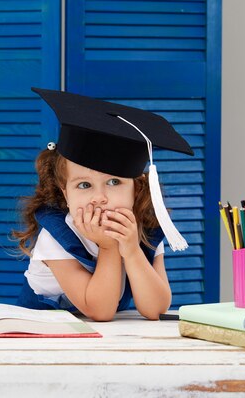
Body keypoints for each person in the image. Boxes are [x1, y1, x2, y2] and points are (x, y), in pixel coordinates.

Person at [13, 88, 194, 321]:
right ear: (65, 192)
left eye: (113, 182)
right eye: (84, 185)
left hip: (108, 339)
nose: (99, 197)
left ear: (136, 190)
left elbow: (155, 309)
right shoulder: (55, 236)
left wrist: (131, 250)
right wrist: (109, 248)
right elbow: (100, 311)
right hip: (42, 332)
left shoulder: (143, 230)